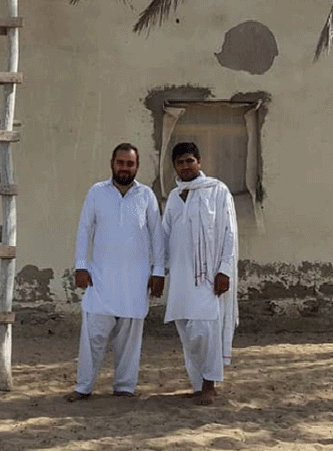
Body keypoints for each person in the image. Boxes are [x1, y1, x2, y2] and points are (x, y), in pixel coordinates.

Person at [66, 142, 165, 402]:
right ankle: (84, 386)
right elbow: (84, 230)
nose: (125, 168)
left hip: (136, 279)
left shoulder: (146, 196)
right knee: (92, 336)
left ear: (137, 166)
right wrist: (80, 266)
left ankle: (125, 386)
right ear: (112, 163)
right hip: (100, 278)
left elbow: (157, 235)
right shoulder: (97, 192)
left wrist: (159, 272)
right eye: (120, 163)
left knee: (130, 339)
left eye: (130, 163)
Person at [162, 142, 238, 406]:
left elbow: (229, 232)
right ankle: (197, 384)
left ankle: (210, 383)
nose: (186, 166)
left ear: (199, 162)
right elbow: (164, 235)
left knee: (205, 328)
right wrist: (158, 271)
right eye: (180, 162)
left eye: (190, 161)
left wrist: (224, 270)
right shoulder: (173, 196)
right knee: (186, 330)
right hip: (181, 277)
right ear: (174, 166)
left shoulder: (217, 191)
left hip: (207, 276)